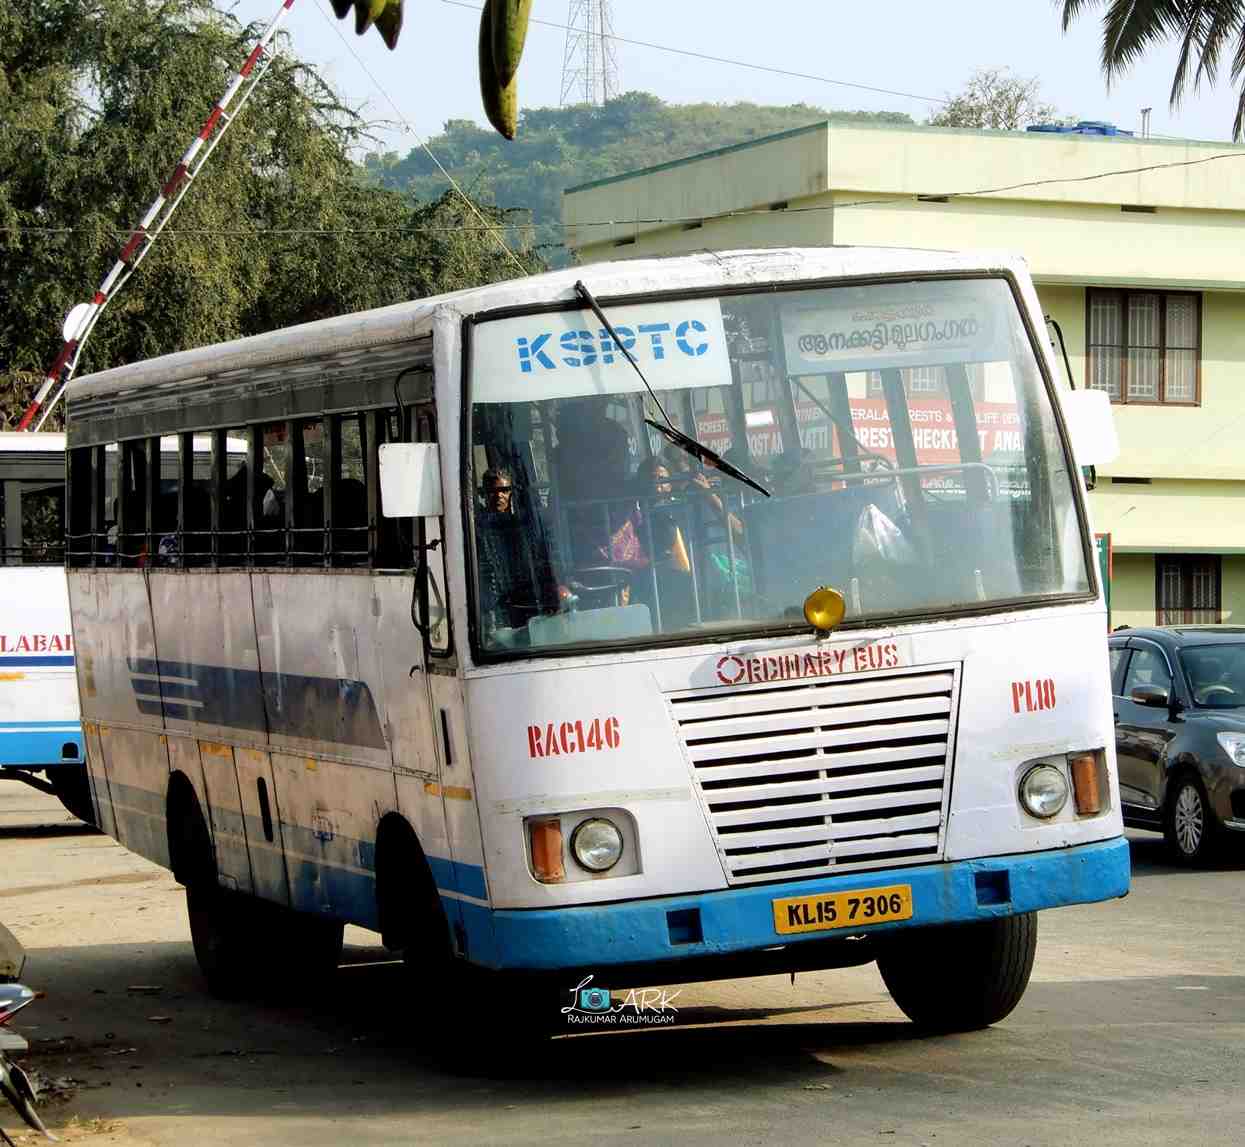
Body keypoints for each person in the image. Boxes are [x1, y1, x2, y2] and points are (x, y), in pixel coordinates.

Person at [475, 465, 559, 633]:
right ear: (484, 494)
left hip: (530, 599)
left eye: (504, 490)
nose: (499, 495)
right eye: (492, 491)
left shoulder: (527, 526)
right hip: (497, 606)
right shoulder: (478, 530)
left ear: (512, 493)